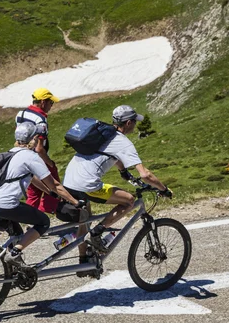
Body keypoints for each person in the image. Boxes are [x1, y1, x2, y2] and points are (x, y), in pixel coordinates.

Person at [63, 105, 173, 265]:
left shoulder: (101, 134)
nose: (135, 125)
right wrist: (164, 189)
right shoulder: (122, 142)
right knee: (128, 200)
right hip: (87, 184)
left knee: (84, 220)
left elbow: (111, 154)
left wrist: (123, 171)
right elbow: (145, 174)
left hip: (69, 180)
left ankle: (84, 261)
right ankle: (98, 232)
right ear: (128, 123)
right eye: (134, 122)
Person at [0, 122, 84, 269]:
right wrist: (75, 202)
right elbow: (55, 184)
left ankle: (14, 269)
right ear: (34, 138)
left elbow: (33, 178)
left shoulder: (11, 153)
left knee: (17, 234)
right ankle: (15, 253)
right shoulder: (30, 156)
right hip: (6, 204)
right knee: (43, 222)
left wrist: (49, 193)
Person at [15, 88, 61, 214]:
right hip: (37, 157)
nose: (51, 106)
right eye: (50, 102)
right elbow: (39, 148)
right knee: (53, 183)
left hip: (23, 155)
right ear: (42, 102)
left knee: (33, 190)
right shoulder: (41, 119)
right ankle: (46, 211)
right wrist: (50, 163)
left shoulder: (21, 114)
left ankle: (30, 216)